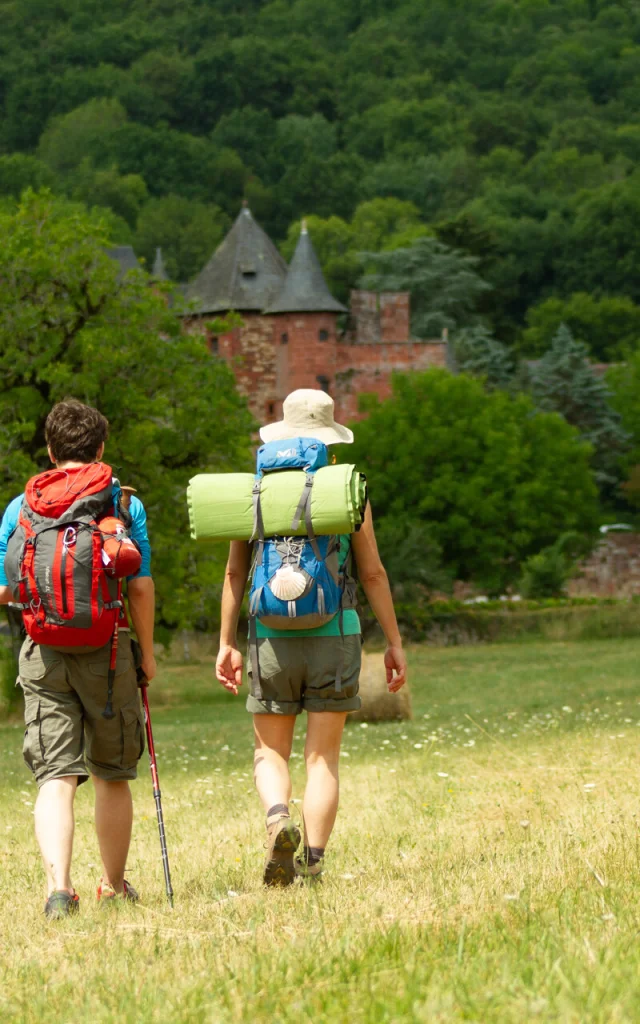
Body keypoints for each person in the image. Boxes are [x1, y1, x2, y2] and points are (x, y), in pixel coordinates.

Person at [216, 389, 407, 885]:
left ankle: (279, 817)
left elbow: (236, 574)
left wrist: (226, 642)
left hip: (269, 638)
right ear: (328, 439)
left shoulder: (252, 491)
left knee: (269, 752)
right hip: (335, 633)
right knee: (322, 757)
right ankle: (313, 861)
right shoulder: (347, 489)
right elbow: (373, 575)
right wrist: (394, 642)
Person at [0, 399, 156, 918]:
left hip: (42, 653)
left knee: (55, 774)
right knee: (112, 772)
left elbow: (5, 586)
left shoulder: (20, 508)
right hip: (108, 653)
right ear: (101, 448)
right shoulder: (123, 503)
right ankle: (113, 885)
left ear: (50, 448)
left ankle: (59, 891)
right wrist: (148, 656)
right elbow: (140, 588)